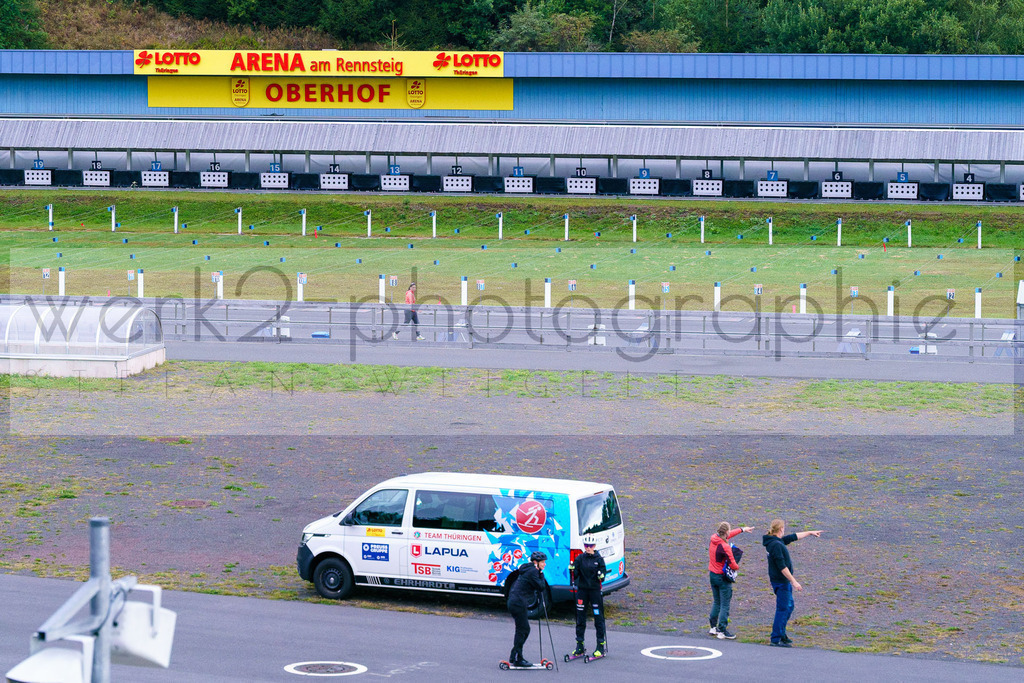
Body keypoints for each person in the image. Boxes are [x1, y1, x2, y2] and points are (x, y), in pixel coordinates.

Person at [762, 519, 824, 647]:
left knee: (789, 607)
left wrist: (809, 532)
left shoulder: (774, 542)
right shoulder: (776, 545)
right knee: (783, 608)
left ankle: (781, 633)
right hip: (781, 581)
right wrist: (794, 581)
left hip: (781, 581)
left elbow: (792, 537)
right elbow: (782, 566)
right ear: (781, 529)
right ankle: (776, 638)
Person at [708, 521, 753, 640]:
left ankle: (713, 627)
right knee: (725, 604)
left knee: (716, 601)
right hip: (722, 578)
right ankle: (722, 630)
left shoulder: (714, 539)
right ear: (726, 532)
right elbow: (733, 564)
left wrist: (742, 529)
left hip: (712, 575)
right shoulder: (725, 546)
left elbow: (728, 535)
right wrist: (737, 567)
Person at [507, 551, 548, 667]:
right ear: (536, 562)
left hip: (517, 602)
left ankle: (515, 655)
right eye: (543, 562)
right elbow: (541, 586)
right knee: (523, 629)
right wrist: (541, 573)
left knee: (523, 629)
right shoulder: (533, 571)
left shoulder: (529, 569)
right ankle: (517, 657)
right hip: (518, 603)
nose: (544, 565)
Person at [570, 535, 607, 658]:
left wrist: (601, 576)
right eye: (586, 545)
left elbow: (603, 573)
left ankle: (600, 646)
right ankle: (579, 645)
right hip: (582, 591)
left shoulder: (599, 559)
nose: (588, 548)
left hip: (595, 592)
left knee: (598, 618)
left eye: (590, 546)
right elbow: (575, 573)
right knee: (580, 618)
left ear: (594, 546)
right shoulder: (580, 558)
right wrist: (572, 569)